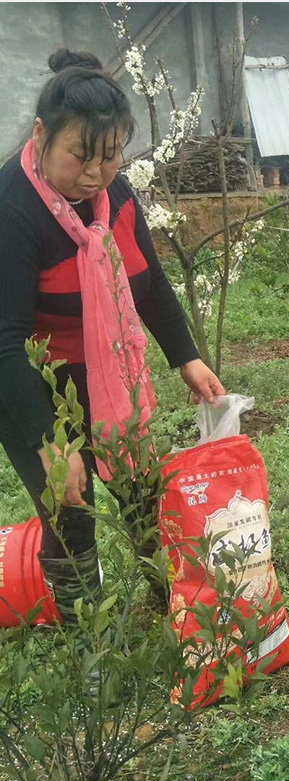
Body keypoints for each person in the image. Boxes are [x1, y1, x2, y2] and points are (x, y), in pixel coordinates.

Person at [0, 48, 224, 623]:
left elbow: (146, 283)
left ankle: (173, 603)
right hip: (31, 379)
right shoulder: (13, 209)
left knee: (140, 490)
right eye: (81, 156)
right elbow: (5, 341)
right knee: (68, 506)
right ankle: (89, 642)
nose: (97, 173)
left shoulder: (115, 195)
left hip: (109, 374)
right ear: (41, 134)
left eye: (113, 155)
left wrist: (187, 358)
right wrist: (53, 442)